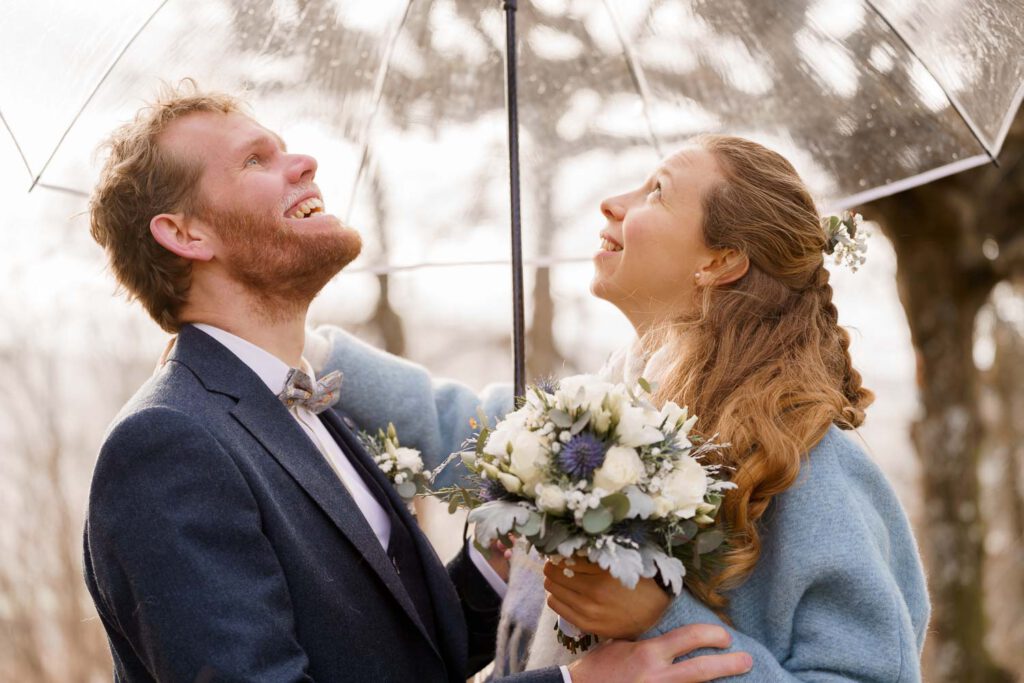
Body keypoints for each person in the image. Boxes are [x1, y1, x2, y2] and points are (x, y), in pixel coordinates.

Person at [82, 81, 754, 683]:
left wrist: (496, 564)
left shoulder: (309, 407)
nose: (304, 162)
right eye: (256, 160)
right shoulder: (168, 445)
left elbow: (400, 658)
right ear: (184, 233)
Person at [309, 136, 931, 680]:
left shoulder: (807, 458)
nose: (612, 201)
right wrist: (304, 352)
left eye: (656, 191)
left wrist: (661, 618)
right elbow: (465, 426)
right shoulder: (611, 404)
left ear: (720, 262)